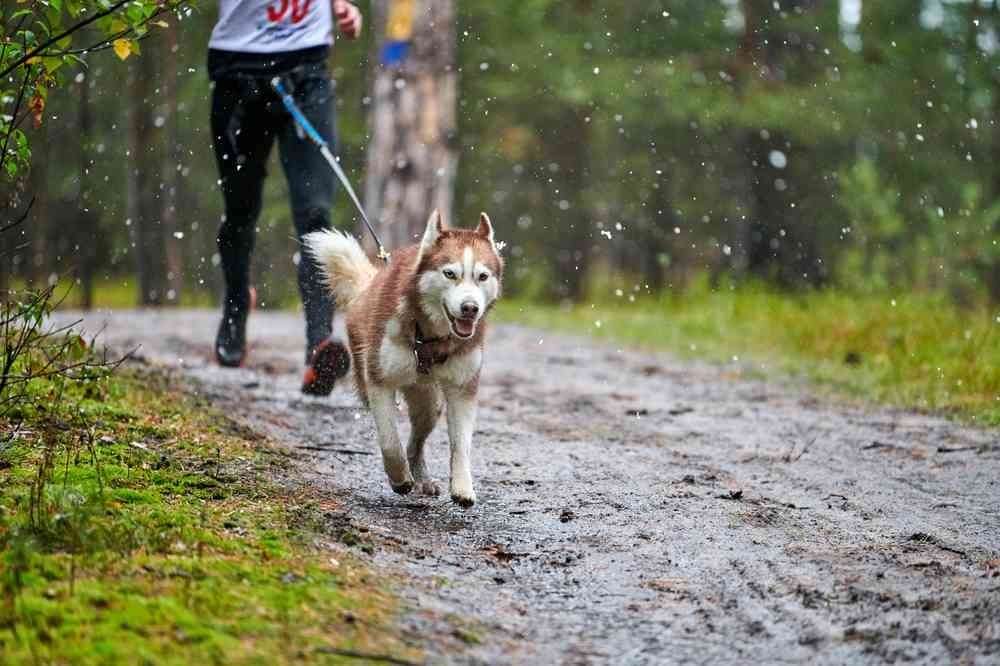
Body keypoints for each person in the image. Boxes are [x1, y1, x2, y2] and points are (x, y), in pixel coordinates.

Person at [207, 0, 362, 395]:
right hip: (236, 73)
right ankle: (237, 304)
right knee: (240, 210)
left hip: (306, 69)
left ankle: (319, 345)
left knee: (316, 211)